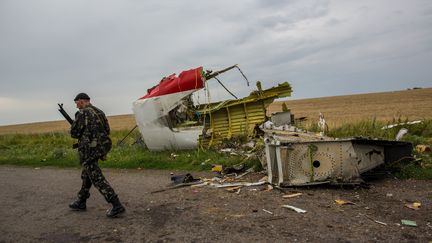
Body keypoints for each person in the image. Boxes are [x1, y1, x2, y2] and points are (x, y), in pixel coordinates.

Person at [68, 92, 125, 217]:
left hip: (88, 151)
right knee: (87, 174)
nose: (76, 106)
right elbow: (107, 130)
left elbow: (74, 133)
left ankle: (116, 205)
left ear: (81, 101)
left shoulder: (82, 113)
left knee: (97, 178)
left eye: (77, 103)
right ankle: (81, 201)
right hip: (100, 148)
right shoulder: (99, 112)